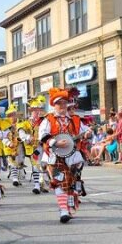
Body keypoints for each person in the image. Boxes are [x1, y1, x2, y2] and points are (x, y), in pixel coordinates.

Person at [39, 88, 90, 223]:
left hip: (72, 157)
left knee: (70, 183)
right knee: (59, 182)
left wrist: (87, 134)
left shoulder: (75, 119)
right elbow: (43, 135)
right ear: (53, 105)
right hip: (54, 156)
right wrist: (55, 142)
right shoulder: (48, 119)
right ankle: (63, 211)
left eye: (64, 103)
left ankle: (67, 207)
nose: (62, 106)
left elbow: (86, 131)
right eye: (59, 103)